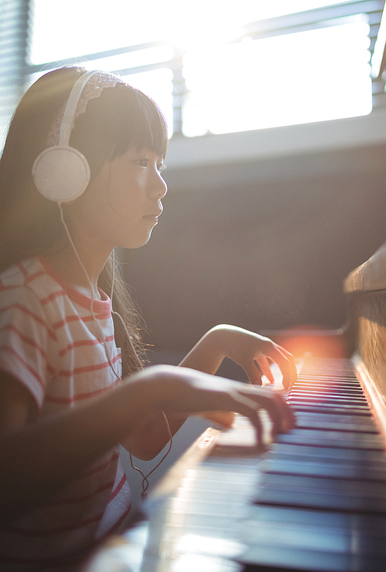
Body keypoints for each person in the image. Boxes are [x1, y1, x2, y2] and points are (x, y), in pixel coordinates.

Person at [0, 67, 296, 572]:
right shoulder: (24, 301)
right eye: (141, 162)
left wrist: (218, 342)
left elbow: (146, 435)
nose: (161, 187)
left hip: (113, 548)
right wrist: (148, 388)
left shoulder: (92, 300)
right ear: (64, 171)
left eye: (160, 163)